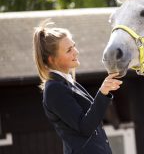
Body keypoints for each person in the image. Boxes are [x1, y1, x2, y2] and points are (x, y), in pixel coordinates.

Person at [33, 21, 123, 154]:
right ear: (52, 59)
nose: (76, 52)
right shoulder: (54, 90)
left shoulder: (69, 83)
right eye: (69, 50)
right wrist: (102, 93)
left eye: (74, 46)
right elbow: (85, 127)